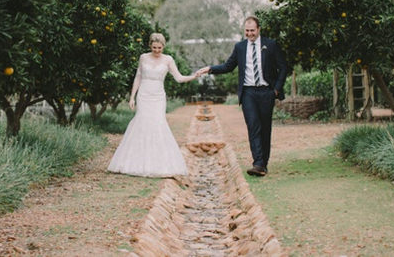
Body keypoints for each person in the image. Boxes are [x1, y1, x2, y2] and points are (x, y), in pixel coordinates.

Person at [197, 16, 287, 176]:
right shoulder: (240, 47)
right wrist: (210, 68)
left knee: (265, 129)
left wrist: (276, 90)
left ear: (258, 29)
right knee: (253, 126)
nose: (250, 33)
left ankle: (263, 163)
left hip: (267, 91)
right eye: (247, 31)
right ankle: (258, 163)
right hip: (248, 93)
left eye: (252, 30)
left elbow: (283, 67)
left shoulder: (271, 45)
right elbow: (228, 66)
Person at [107, 32, 199, 177]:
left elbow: (179, 78)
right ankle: (136, 162)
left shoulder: (168, 59)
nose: (157, 50)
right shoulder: (143, 57)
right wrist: (132, 97)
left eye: (159, 48)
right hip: (143, 95)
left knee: (158, 124)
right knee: (142, 123)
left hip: (158, 97)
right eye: (154, 47)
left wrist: (194, 76)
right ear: (150, 45)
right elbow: (138, 77)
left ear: (163, 47)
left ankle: (159, 163)